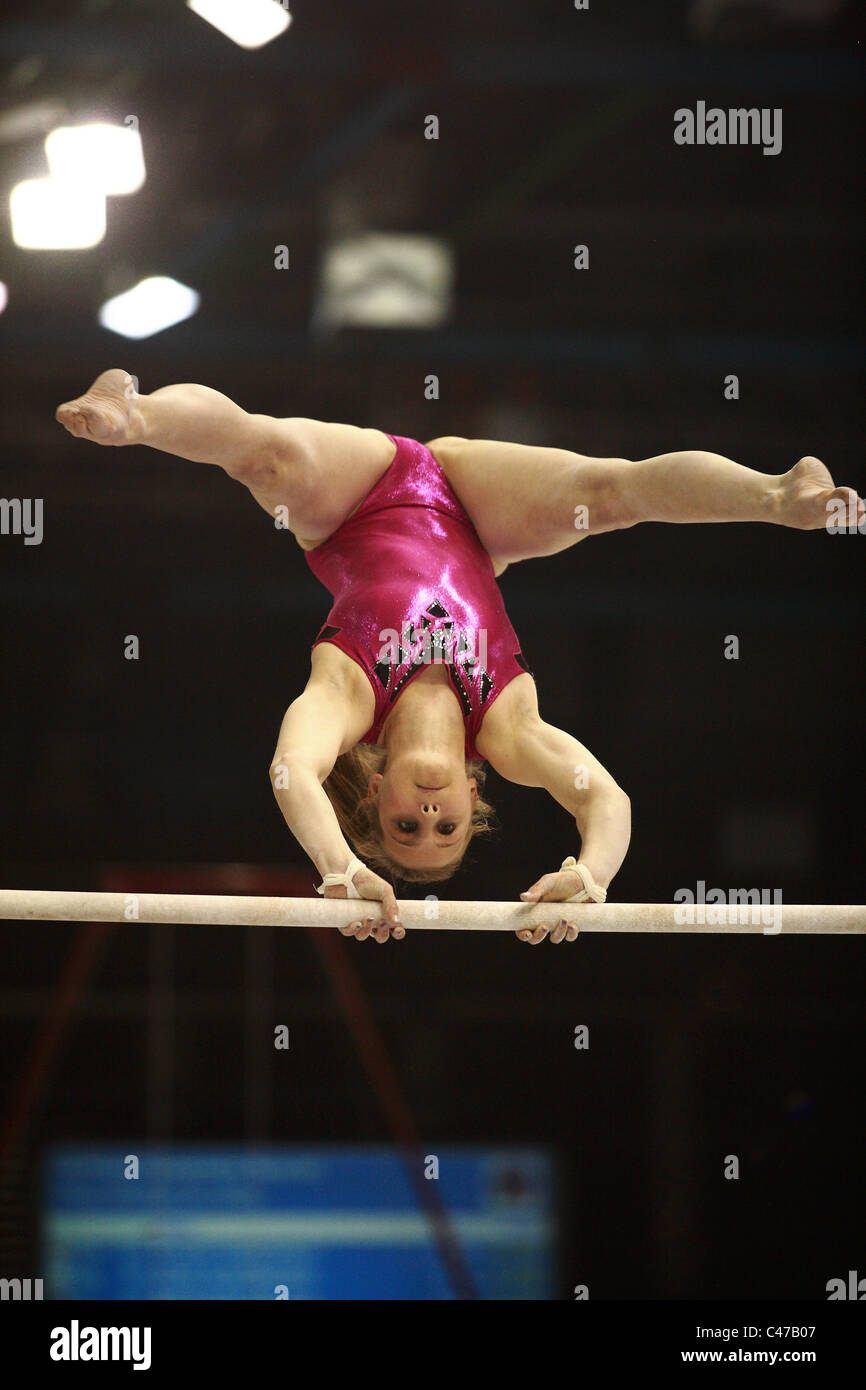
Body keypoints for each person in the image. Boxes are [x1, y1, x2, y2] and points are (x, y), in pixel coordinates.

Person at [57, 369, 863, 944]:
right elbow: (605, 800)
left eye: (406, 825)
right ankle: (777, 496)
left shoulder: (349, 695)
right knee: (610, 497)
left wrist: (339, 870)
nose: (430, 811)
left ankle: (137, 415)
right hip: (479, 514)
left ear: (374, 791)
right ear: (475, 799)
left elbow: (289, 771)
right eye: (447, 828)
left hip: (356, 503)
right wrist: (590, 877)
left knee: (267, 459)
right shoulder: (506, 727)